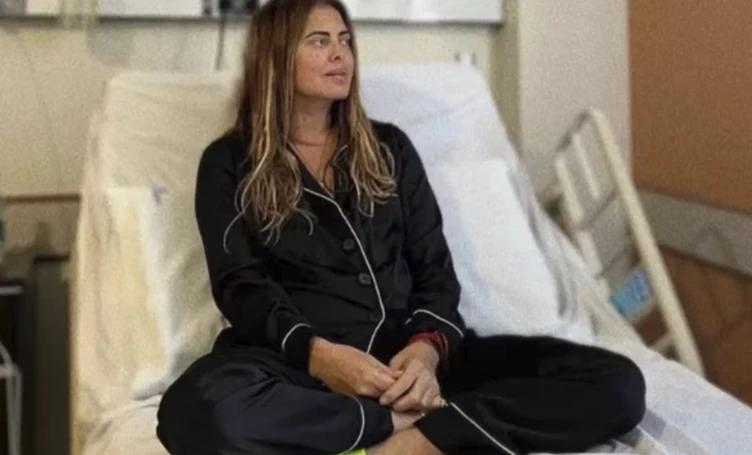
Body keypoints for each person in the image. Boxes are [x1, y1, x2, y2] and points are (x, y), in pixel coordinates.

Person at [156, 1, 646, 454]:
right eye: (320, 41)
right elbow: (241, 286)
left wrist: (425, 352)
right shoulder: (230, 163)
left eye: (345, 40)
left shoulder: (390, 150)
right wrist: (320, 356)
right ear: (276, 56)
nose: (340, 54)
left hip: (410, 362)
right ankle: (390, 423)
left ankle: (426, 437)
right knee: (197, 412)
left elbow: (435, 272)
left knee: (618, 383)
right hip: (298, 367)